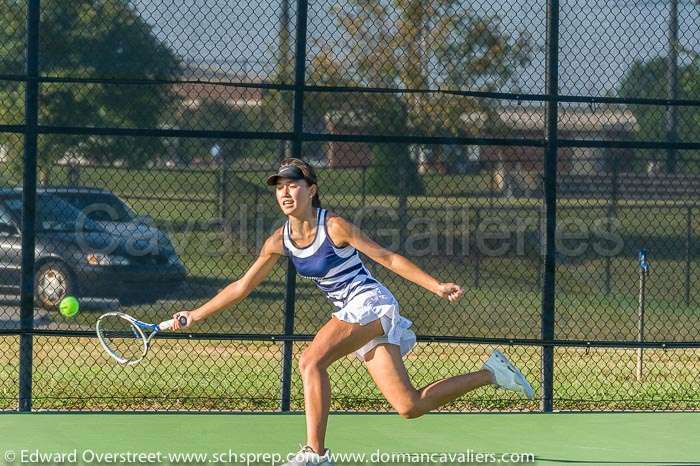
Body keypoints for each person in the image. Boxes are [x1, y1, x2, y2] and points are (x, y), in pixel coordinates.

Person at [172, 158, 534, 466]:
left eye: (293, 185)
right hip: (352, 313)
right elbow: (241, 286)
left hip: (368, 302)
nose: (284, 193)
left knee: (310, 361)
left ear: (311, 190)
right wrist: (196, 315)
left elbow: (386, 257)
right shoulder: (277, 241)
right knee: (409, 405)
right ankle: (492, 373)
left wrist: (435, 285)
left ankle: (316, 452)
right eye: (279, 186)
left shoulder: (335, 226)